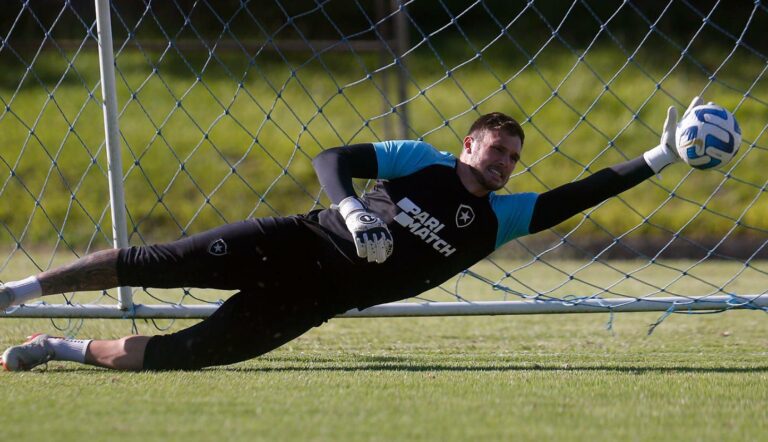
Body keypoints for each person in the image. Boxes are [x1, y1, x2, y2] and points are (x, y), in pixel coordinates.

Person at [0, 97, 704, 371]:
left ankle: (56, 346)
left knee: (186, 355)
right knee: (152, 262)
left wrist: (662, 155)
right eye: (497, 151)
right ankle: (20, 290)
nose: (506, 165)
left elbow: (583, 193)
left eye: (514, 160)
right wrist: (354, 210)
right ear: (468, 145)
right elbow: (330, 161)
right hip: (293, 241)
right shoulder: (421, 160)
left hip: (311, 303)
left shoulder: (501, 219)